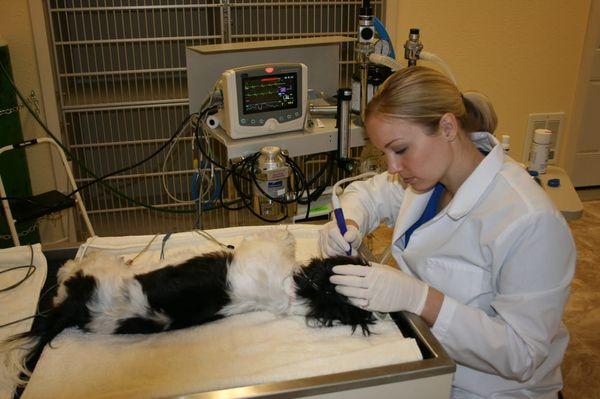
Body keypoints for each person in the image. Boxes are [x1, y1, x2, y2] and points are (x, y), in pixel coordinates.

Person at [319, 66, 575, 399]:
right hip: (431, 361)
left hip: (492, 391)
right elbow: (370, 193)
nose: (393, 167)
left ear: (447, 126)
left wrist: (422, 300)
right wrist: (350, 221)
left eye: (400, 149)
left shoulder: (529, 221)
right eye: (386, 154)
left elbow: (522, 355)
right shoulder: (431, 179)